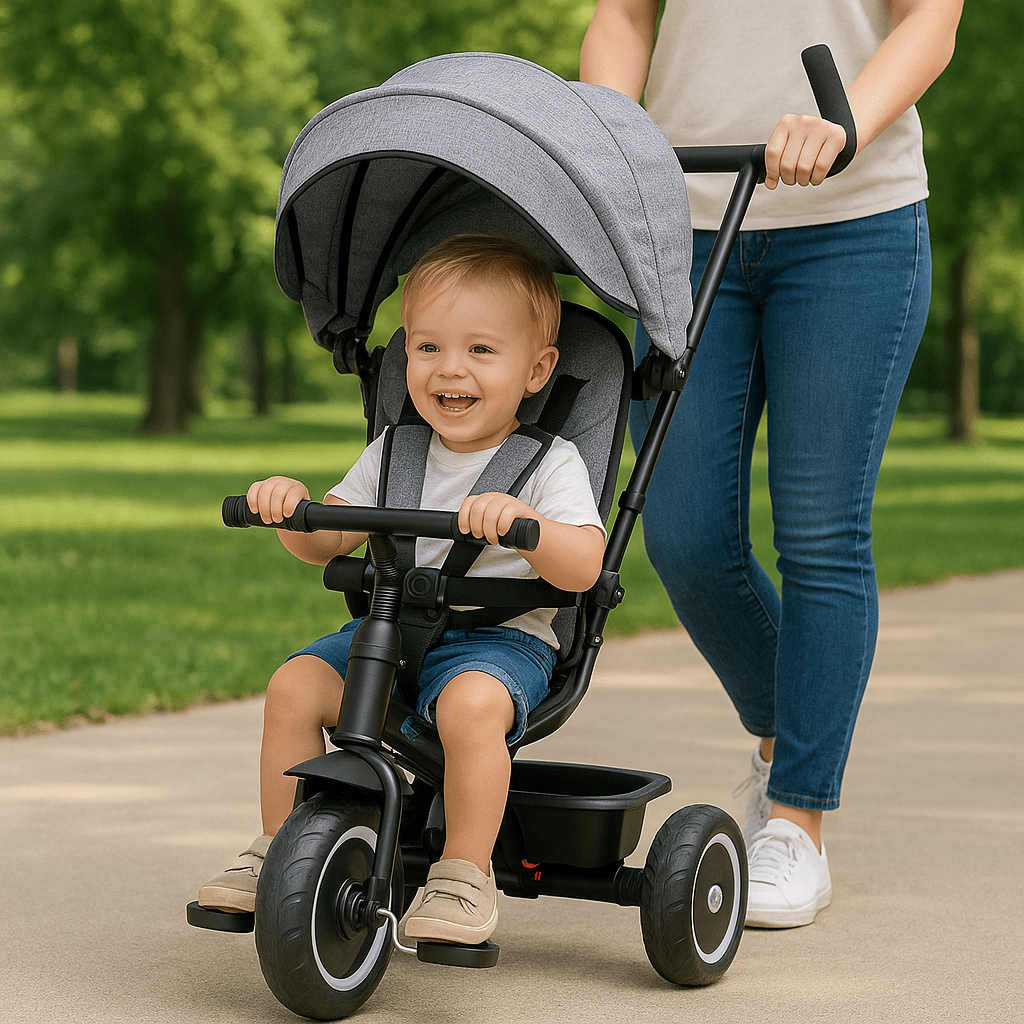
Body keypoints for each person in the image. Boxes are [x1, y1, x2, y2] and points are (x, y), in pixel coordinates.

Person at [581, 0, 962, 927]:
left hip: (853, 224)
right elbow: (623, 17)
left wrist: (844, 124)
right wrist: (605, 137)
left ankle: (796, 821)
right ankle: (790, 736)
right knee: (679, 533)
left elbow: (930, 21)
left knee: (822, 532)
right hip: (679, 222)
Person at [196, 234, 606, 945]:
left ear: (537, 370)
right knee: (294, 685)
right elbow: (328, 540)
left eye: (481, 350)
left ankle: (463, 873)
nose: (451, 369)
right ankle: (278, 848)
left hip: (498, 644)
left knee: (471, 707)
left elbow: (585, 568)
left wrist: (529, 528)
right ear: (404, 356)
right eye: (428, 348)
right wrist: (292, 512)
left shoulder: (549, 463)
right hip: (390, 632)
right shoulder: (395, 451)